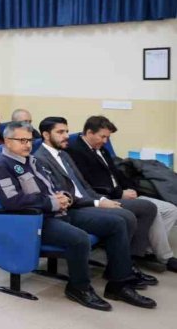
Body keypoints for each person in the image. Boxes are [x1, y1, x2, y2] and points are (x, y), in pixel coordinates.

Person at [0, 123, 156, 310]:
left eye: (29, 140)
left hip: (62, 211)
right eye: (22, 140)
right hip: (36, 220)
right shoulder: (1, 165)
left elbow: (55, 186)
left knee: (116, 223)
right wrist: (52, 202)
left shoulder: (32, 160)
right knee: (79, 238)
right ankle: (79, 288)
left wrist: (65, 197)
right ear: (7, 141)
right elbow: (13, 202)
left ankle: (119, 284)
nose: (27, 145)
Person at [34, 117, 162, 281]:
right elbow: (63, 196)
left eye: (66, 131)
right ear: (46, 135)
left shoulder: (64, 154)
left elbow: (84, 185)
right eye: (60, 132)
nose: (66, 136)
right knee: (124, 217)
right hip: (74, 208)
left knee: (147, 207)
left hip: (89, 200)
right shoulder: (40, 159)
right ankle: (121, 270)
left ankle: (127, 262)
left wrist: (100, 198)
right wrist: (98, 202)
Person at [66, 115, 177, 273]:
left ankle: (146, 250)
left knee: (171, 210)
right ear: (89, 132)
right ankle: (163, 257)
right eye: (102, 136)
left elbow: (116, 173)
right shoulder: (76, 152)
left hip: (121, 192)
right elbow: (89, 184)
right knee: (153, 210)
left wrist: (131, 189)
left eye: (107, 137)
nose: (105, 141)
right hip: (107, 197)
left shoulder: (100, 149)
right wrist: (120, 192)